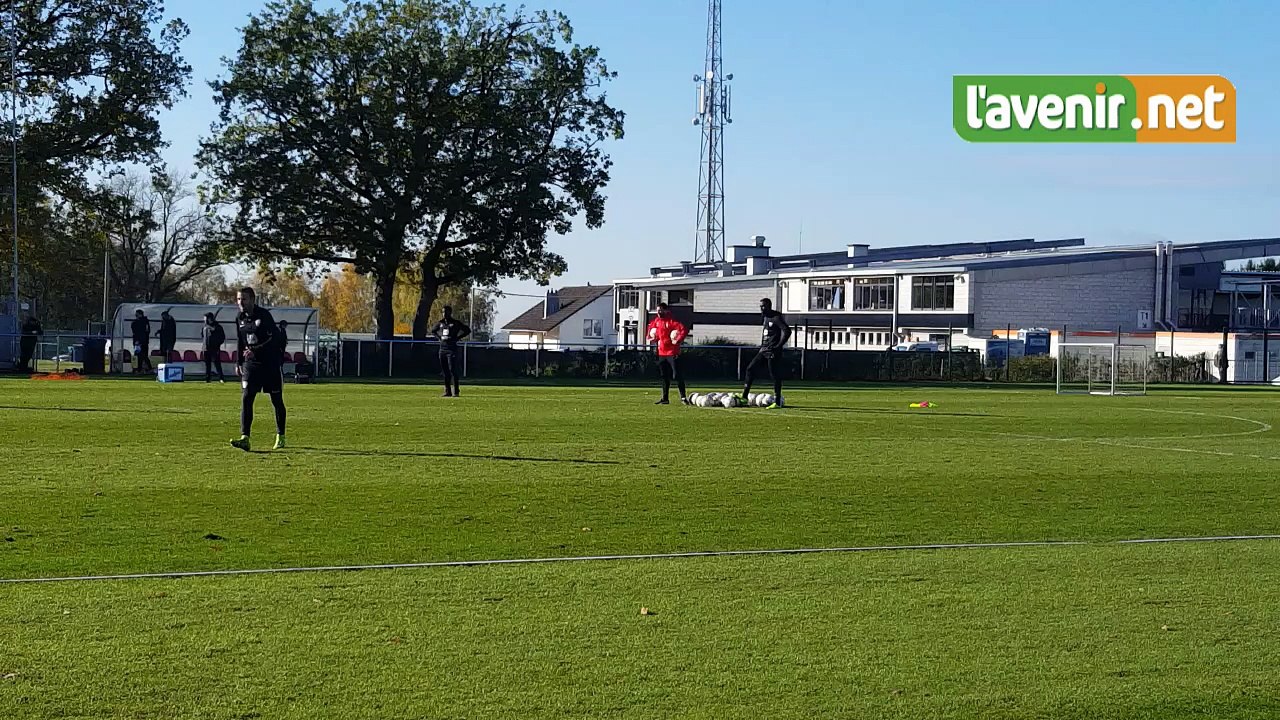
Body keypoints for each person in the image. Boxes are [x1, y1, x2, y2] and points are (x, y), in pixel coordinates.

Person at [230, 287, 287, 451]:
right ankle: (245, 437)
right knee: (247, 398)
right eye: (239, 299)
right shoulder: (239, 318)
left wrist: (256, 349)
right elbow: (241, 341)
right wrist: (238, 363)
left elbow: (274, 338)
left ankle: (280, 435)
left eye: (244, 299)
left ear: (253, 300)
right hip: (251, 365)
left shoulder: (264, 315)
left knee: (276, 401)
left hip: (270, 364)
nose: (241, 302)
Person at [741, 298, 791, 408]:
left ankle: (777, 401)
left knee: (774, 375)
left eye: (763, 306)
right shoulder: (765, 317)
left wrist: (778, 346)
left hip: (772, 351)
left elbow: (787, 331)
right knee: (750, 368)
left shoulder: (776, 317)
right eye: (760, 306)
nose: (761, 308)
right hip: (764, 350)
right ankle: (744, 397)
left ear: (769, 306)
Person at [646, 302, 689, 405]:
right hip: (661, 353)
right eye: (658, 310)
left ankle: (683, 398)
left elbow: (683, 330)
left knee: (676, 375)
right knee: (664, 376)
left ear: (666, 310)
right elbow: (651, 331)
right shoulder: (656, 321)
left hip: (672, 352)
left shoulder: (672, 322)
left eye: (660, 310)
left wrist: (678, 340)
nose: (659, 312)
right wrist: (651, 338)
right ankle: (665, 399)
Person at [432, 306, 471, 397]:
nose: (444, 314)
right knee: (445, 371)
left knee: (453, 369)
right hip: (442, 349)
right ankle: (447, 391)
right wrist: (439, 338)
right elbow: (433, 331)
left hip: (452, 349)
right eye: (443, 312)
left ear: (450, 313)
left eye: (446, 312)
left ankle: (456, 390)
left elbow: (467, 330)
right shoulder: (440, 323)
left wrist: (457, 338)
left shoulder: (455, 323)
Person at [202, 312, 226, 383]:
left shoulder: (217, 327)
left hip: (214, 349)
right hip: (205, 348)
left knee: (217, 364)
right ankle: (208, 378)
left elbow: (222, 337)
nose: (204, 320)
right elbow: (203, 336)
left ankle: (221, 378)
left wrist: (217, 345)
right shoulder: (205, 327)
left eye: (205, 318)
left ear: (209, 318)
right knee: (207, 364)